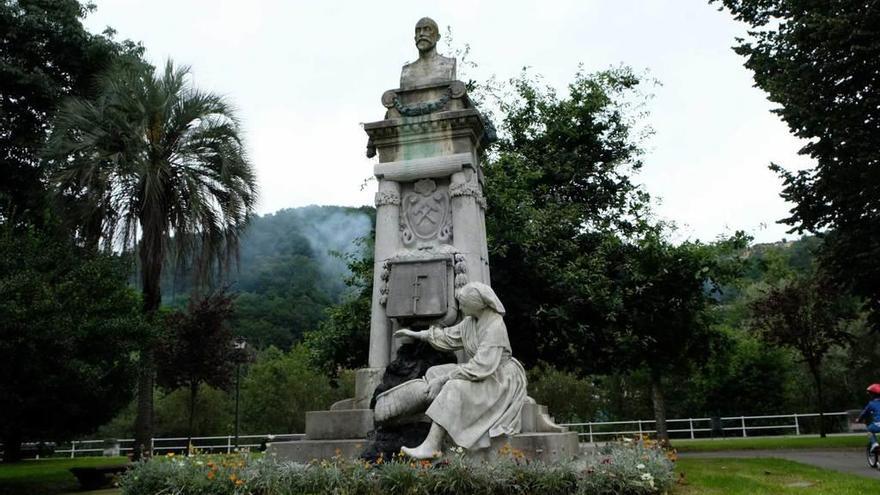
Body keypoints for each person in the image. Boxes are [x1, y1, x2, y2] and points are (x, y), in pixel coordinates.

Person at [393, 282, 527, 459]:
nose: (459, 306)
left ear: (476, 303)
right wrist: (416, 335)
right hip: (482, 372)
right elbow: (447, 337)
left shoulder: (495, 326)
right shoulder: (471, 322)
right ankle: (432, 427)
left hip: (499, 378)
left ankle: (432, 446)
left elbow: (482, 366)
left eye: (463, 302)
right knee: (434, 372)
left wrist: (445, 379)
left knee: (453, 386)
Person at [857, 383, 880, 451]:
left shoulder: (871, 404)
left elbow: (864, 414)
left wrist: (859, 419)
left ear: (873, 395)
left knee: (869, 430)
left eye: (870, 394)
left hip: (878, 424)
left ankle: (874, 443)